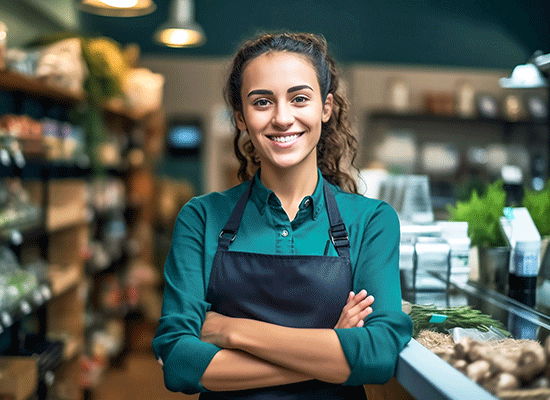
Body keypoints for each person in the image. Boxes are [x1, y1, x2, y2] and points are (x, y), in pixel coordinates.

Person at [152, 32, 413, 399]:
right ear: (241, 117)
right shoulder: (201, 218)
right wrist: (332, 349)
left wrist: (231, 333)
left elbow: (378, 355)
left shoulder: (371, 221)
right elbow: (178, 363)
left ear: (326, 107)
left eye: (300, 98)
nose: (282, 118)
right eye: (262, 102)